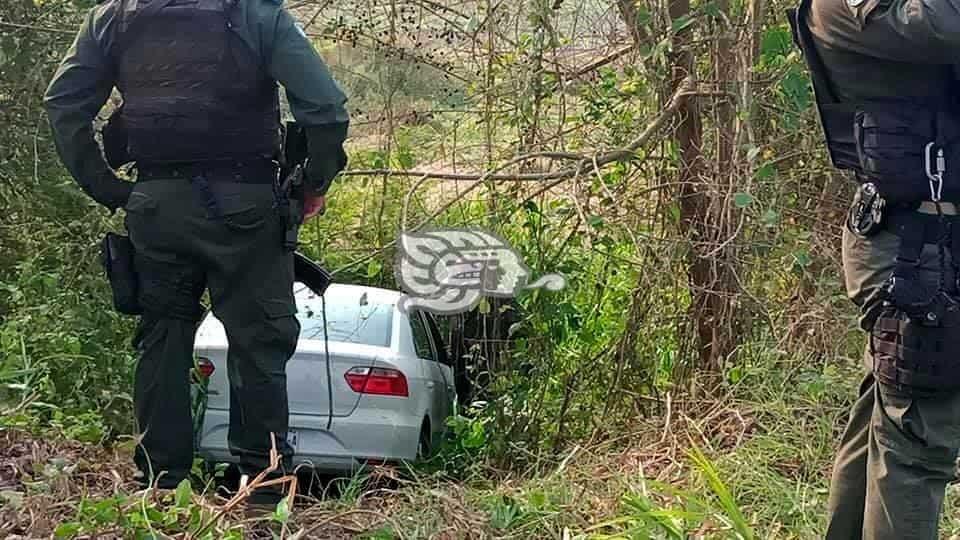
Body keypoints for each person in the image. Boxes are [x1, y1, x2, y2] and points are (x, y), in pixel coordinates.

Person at [44, 0, 348, 503]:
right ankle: (265, 495)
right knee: (259, 345)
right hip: (247, 207)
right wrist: (313, 183)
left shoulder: (115, 16)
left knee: (162, 340)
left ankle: (160, 490)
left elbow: (64, 104)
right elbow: (326, 109)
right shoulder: (254, 13)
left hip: (156, 205)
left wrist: (107, 187)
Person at [790, 0, 960, 537]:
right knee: (916, 447)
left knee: (883, 426)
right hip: (912, 252)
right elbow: (943, 23)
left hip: (926, 243)